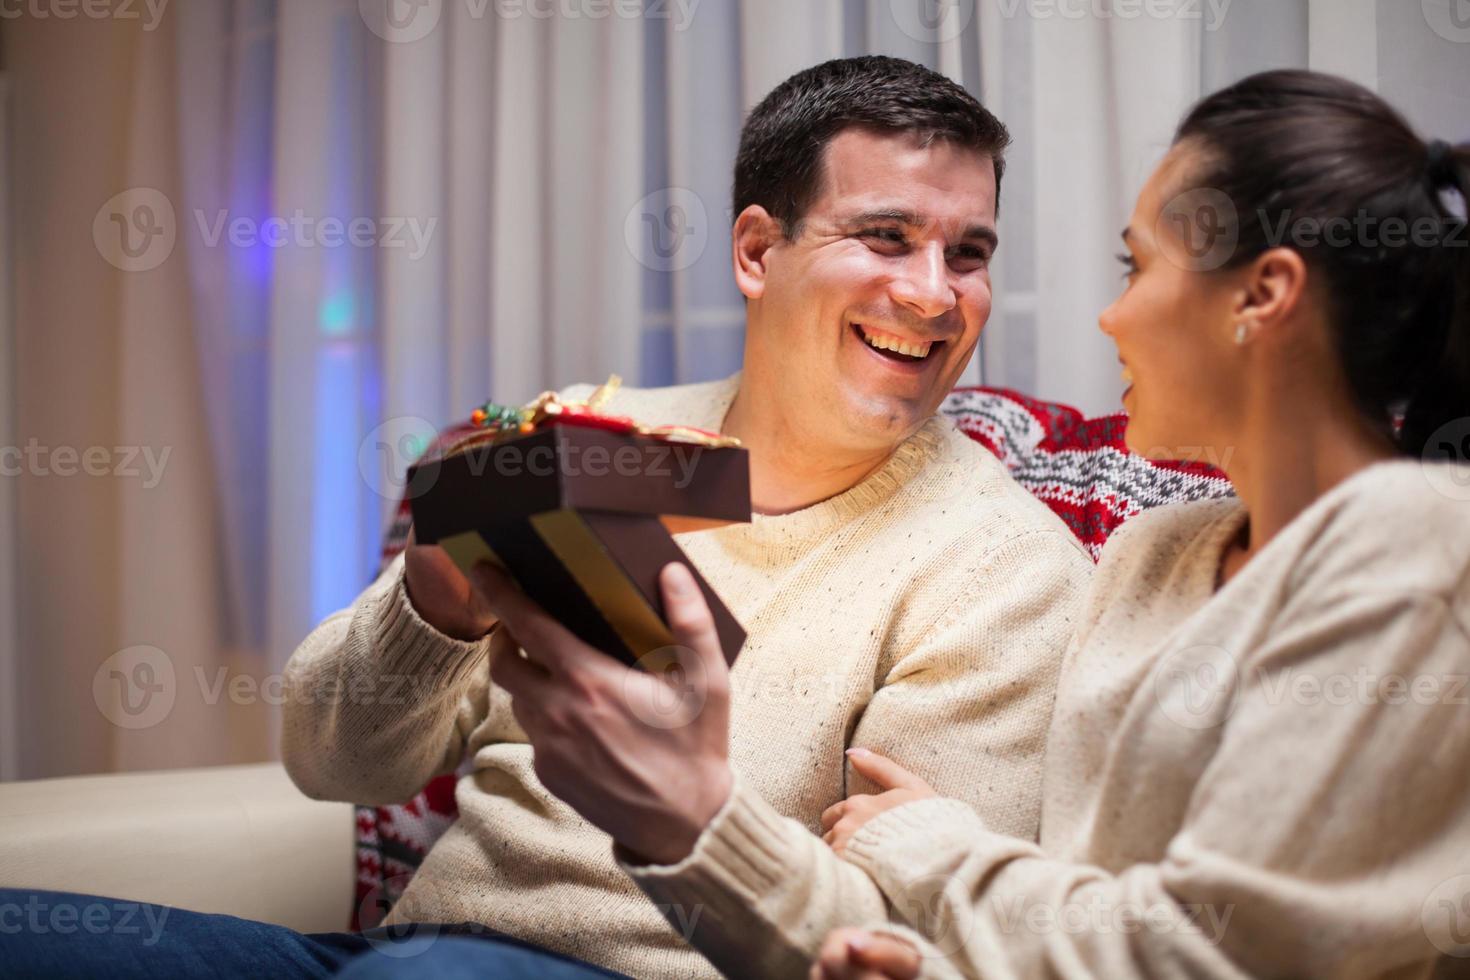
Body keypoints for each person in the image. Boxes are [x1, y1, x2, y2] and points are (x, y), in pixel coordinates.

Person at [0, 55, 1091, 979]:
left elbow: (901, 942)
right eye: (888, 236)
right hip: (412, 947)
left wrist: (691, 793)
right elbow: (332, 762)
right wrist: (434, 603)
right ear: (759, 251)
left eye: (971, 251)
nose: (937, 294)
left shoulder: (1003, 564)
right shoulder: (590, 430)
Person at [793, 70, 1470, 979]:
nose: (1112, 315)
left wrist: (932, 849)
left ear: (1262, 295)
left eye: (1137, 266)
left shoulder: (1419, 546)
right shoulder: (1154, 552)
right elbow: (1098, 911)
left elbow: (1203, 954)